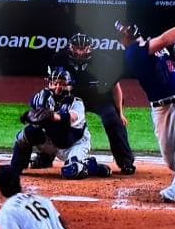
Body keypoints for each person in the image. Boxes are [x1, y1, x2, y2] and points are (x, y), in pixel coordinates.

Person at [117, 9, 175, 202]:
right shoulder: (133, 54)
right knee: (171, 161)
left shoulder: (155, 45)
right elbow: (166, 39)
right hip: (161, 111)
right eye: (124, 33)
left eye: (127, 31)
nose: (127, 34)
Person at [9, 66, 111, 180]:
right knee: (27, 134)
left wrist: (52, 116)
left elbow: (71, 117)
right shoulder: (41, 98)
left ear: (70, 86)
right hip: (53, 141)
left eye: (62, 84)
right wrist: (29, 116)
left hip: (74, 144)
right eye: (54, 83)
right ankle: (30, 162)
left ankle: (92, 166)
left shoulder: (77, 103)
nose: (58, 88)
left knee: (72, 171)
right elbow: (36, 118)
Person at [54, 33, 135, 175]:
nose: (80, 52)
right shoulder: (59, 59)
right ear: (70, 48)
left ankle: (125, 162)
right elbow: (54, 86)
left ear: (90, 48)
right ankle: (45, 157)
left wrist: (120, 113)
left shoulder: (104, 62)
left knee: (113, 119)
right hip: (72, 99)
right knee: (55, 120)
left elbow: (116, 88)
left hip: (100, 99)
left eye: (83, 48)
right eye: (77, 48)